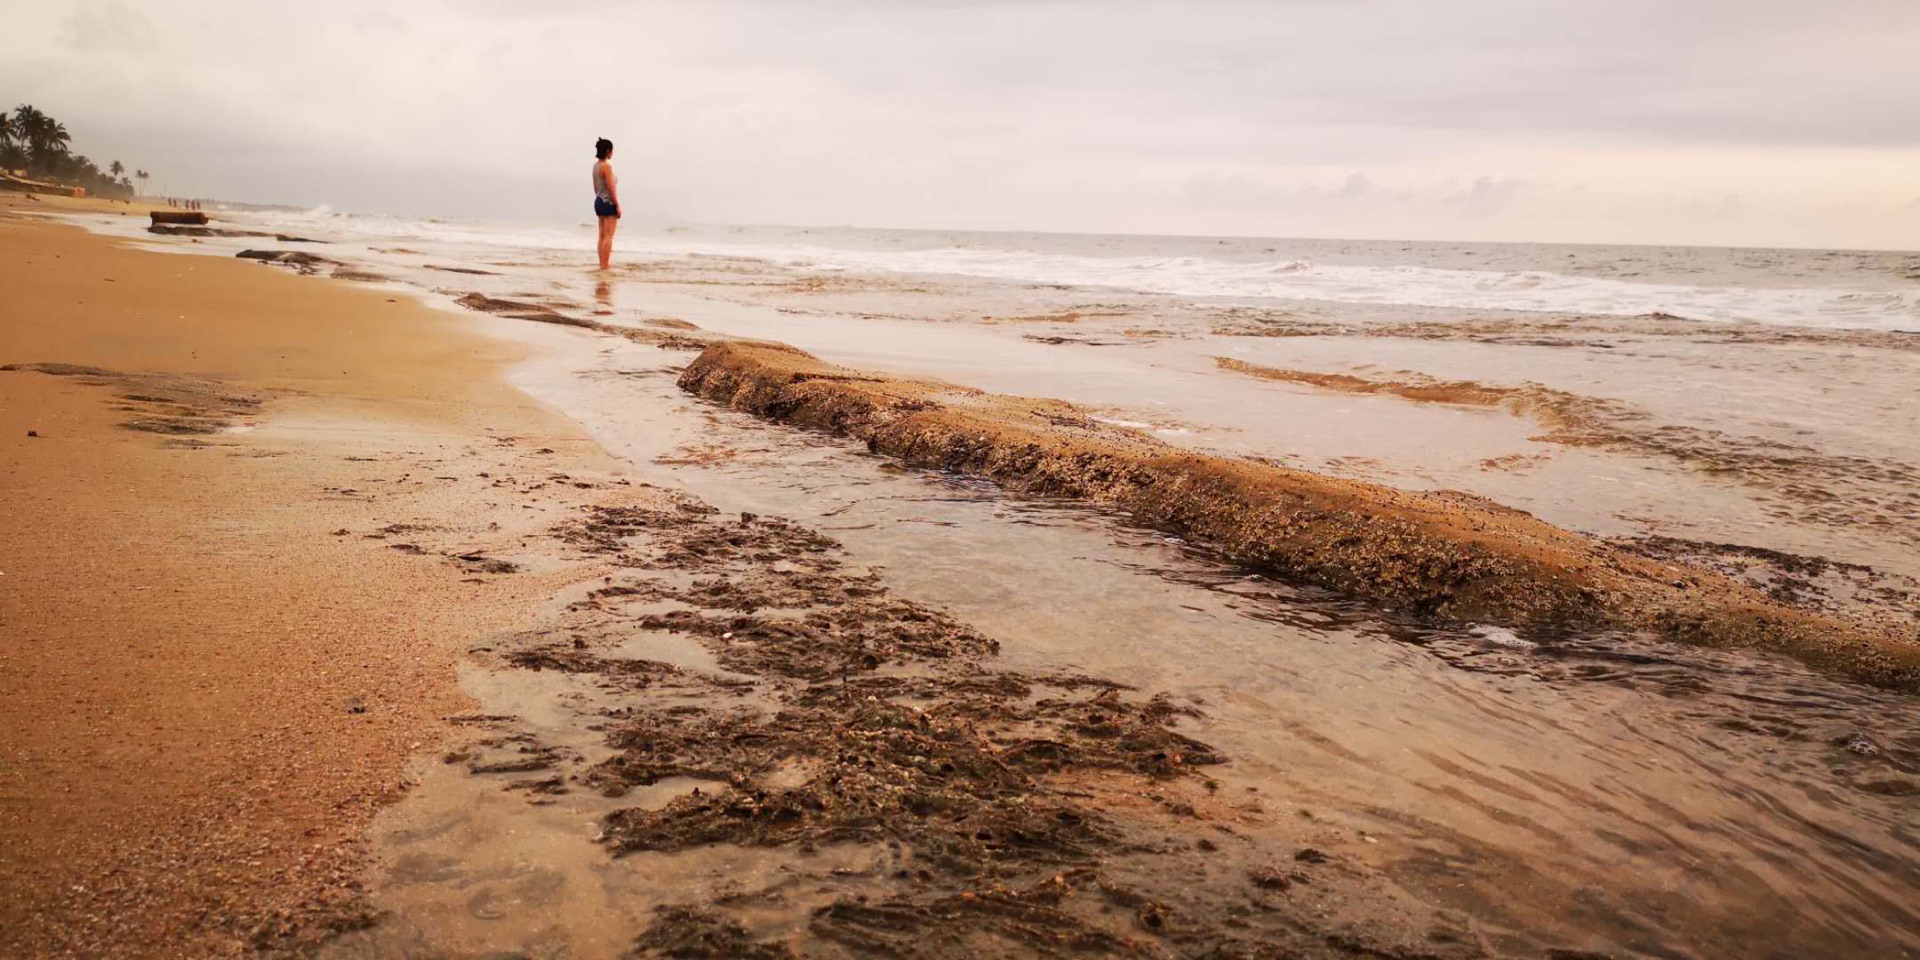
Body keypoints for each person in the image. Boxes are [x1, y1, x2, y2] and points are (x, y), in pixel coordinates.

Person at [592, 137, 620, 270]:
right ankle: (605, 265)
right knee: (609, 236)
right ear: (608, 151)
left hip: (598, 200)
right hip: (607, 201)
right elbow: (611, 187)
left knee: (602, 235)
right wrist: (617, 205)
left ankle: (602, 263)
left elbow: (595, 187)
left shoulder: (596, 166)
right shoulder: (606, 167)